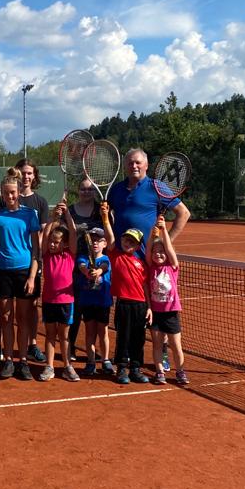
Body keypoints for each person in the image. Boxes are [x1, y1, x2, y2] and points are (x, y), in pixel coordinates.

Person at [106, 148, 191, 373]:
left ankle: (158, 351)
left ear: (146, 164)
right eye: (130, 163)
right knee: (127, 314)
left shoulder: (156, 187)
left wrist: (165, 243)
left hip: (148, 264)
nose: (134, 166)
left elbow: (183, 213)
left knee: (155, 312)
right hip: (122, 263)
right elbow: (110, 216)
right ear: (125, 166)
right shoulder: (116, 191)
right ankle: (126, 359)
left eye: (138, 163)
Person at [0, 159, 49, 364]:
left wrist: (32, 276)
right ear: (2, 195)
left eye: (13, 192)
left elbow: (36, 249)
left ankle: (22, 360)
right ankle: (7, 359)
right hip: (3, 271)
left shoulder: (30, 214)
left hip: (24, 271)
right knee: (6, 317)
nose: (11, 196)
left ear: (17, 192)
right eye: (7, 193)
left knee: (23, 318)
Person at [101, 203, 151, 385]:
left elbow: (146, 286)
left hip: (141, 305)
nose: (127, 243)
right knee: (123, 336)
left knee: (138, 339)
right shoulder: (116, 256)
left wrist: (150, 307)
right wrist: (106, 218)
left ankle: (136, 368)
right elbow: (110, 237)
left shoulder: (142, 264)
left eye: (132, 241)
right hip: (124, 304)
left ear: (138, 246)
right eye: (126, 240)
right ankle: (122, 368)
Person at [40, 202, 80, 382]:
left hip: (66, 301)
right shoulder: (46, 254)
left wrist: (67, 214)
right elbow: (45, 234)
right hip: (49, 300)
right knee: (49, 335)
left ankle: (67, 367)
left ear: (64, 244)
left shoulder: (69, 254)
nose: (52, 245)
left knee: (64, 336)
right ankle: (49, 367)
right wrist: (53, 218)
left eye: (56, 242)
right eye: (51, 242)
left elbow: (72, 232)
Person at [146, 217, 188, 385]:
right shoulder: (150, 267)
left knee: (176, 344)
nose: (158, 254)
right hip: (155, 313)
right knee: (157, 344)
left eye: (161, 252)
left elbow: (169, 250)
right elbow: (148, 250)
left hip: (171, 312)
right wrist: (152, 233)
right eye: (156, 252)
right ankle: (159, 372)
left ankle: (180, 371)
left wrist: (164, 231)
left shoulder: (172, 267)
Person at [68, 178, 104, 363]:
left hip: (97, 267)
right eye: (83, 189)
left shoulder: (101, 210)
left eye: (90, 189)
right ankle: (70, 347)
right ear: (78, 190)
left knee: (94, 311)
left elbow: (109, 232)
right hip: (75, 267)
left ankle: (92, 349)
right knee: (76, 309)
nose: (86, 192)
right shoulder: (71, 211)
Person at [76, 227, 114, 378]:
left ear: (104, 243)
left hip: (103, 302)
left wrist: (97, 272)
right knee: (90, 332)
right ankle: (91, 361)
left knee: (103, 332)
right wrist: (88, 272)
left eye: (98, 240)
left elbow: (104, 267)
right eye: (92, 241)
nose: (95, 243)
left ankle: (105, 360)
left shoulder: (106, 259)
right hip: (87, 301)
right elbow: (83, 267)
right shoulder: (83, 258)